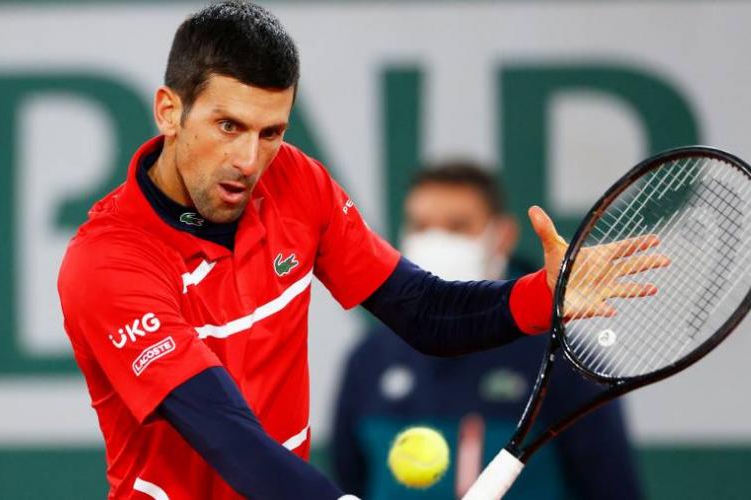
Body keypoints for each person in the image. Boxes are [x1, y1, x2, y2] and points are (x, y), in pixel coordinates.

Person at [56, 2, 663, 498]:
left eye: (272, 132)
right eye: (228, 126)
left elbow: (424, 311)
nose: (248, 161)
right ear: (170, 111)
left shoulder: (297, 183)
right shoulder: (106, 262)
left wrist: (541, 296)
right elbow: (222, 431)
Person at [330, 162, 644, 500]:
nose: (436, 241)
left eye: (458, 226)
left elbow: (611, 488)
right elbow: (349, 482)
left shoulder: (564, 363)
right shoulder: (368, 359)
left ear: (503, 236)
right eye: (421, 226)